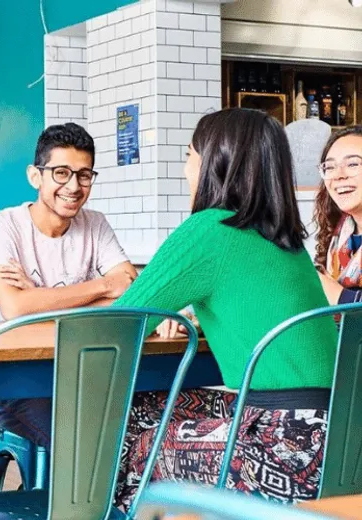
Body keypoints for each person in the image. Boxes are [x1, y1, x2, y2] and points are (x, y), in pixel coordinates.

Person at [112, 108, 338, 507]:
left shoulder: (208, 230)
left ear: (215, 162)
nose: (185, 170)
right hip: (337, 433)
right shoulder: (285, 240)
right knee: (142, 406)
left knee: (136, 444)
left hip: (285, 445)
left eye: (188, 156)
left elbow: (114, 325)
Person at [0, 122, 137, 449]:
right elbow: (15, 307)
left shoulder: (95, 223)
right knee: (82, 445)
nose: (74, 186)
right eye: (62, 173)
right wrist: (104, 286)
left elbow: (132, 294)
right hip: (18, 382)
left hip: (85, 374)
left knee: (137, 431)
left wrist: (40, 298)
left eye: (84, 175)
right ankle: (52, 502)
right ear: (35, 176)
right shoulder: (3, 224)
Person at [313, 126, 362, 305]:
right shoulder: (340, 230)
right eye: (330, 167)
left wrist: (340, 296)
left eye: (353, 164)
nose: (338, 176)